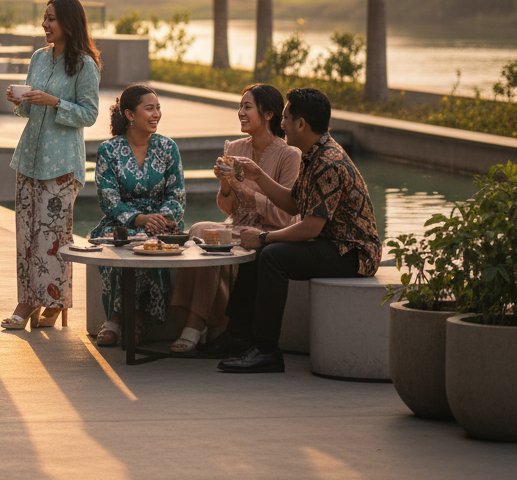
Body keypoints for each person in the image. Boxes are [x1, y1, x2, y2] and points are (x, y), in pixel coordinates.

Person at [217, 87, 382, 374]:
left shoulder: (327, 162)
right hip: (331, 243)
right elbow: (293, 205)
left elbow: (308, 228)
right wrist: (258, 174)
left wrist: (265, 237)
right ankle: (239, 336)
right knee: (263, 250)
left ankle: (266, 350)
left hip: (353, 253)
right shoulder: (313, 154)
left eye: (285, 118)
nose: (281, 124)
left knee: (271, 255)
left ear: (301, 124)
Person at [168, 83, 301, 356]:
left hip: (267, 232)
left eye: (247, 107)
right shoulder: (236, 146)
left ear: (268, 114)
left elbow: (287, 216)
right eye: (240, 106)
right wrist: (225, 184)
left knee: (208, 235)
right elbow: (228, 208)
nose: (240, 112)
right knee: (199, 229)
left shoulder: (290, 155)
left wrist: (242, 187)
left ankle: (197, 324)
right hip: (237, 226)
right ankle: (205, 321)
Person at [2, 0, 100, 330]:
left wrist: (55, 101)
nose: (45, 24)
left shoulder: (85, 65)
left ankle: (54, 300)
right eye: (44, 18)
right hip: (29, 157)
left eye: (52, 19)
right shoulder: (39, 58)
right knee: (26, 235)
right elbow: (29, 110)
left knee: (54, 237)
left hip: (61, 163)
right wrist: (20, 100)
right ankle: (27, 299)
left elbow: (89, 114)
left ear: (69, 23)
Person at [90, 85, 185, 347]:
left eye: (158, 108)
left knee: (155, 242)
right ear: (130, 114)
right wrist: (137, 219)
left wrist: (159, 219)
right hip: (121, 222)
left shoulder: (168, 147)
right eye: (150, 108)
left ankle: (140, 317)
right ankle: (118, 317)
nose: (156, 114)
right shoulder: (108, 150)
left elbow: (177, 194)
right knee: (120, 242)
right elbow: (108, 198)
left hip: (161, 223)